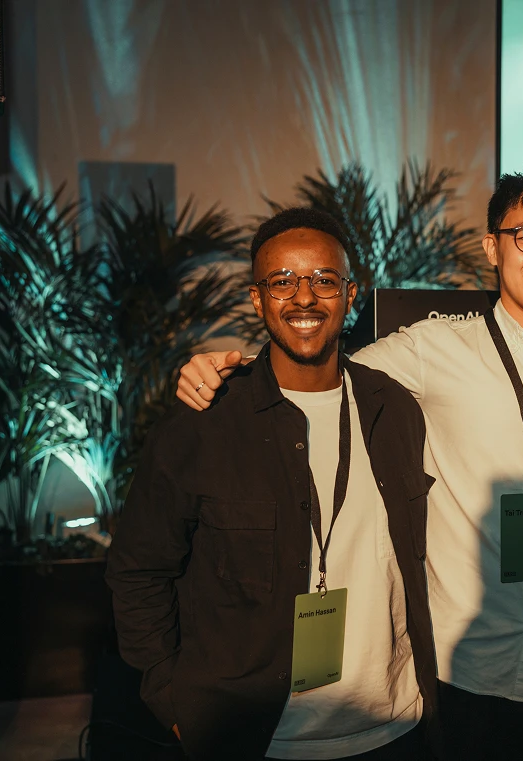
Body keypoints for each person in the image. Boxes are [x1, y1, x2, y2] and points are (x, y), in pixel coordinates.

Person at [176, 162, 523, 760]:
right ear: (492, 248)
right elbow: (316, 373)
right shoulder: (431, 349)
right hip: (472, 668)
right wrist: (213, 372)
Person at [106, 208, 438, 761]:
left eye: (323, 280)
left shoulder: (395, 410)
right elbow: (139, 573)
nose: (303, 298)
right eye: (282, 281)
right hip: (255, 738)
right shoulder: (206, 418)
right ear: (258, 299)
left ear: (350, 296)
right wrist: (173, 702)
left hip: (392, 727)